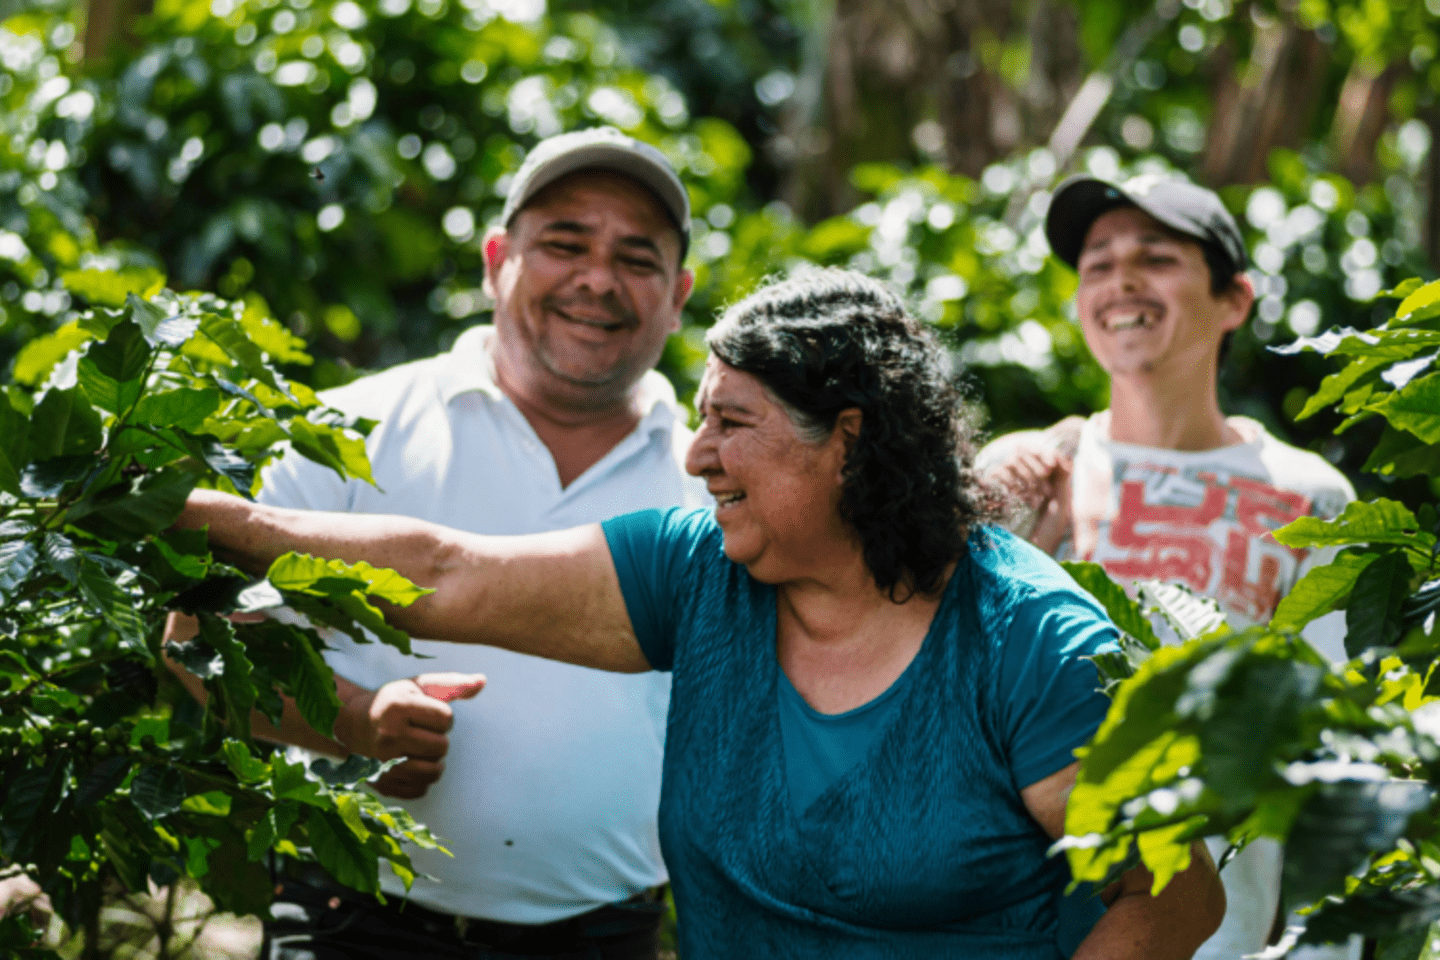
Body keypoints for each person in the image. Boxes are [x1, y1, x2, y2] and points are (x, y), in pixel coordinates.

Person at [176, 269, 1227, 959]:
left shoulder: (1027, 639)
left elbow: (1174, 897)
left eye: (732, 422)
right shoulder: (700, 573)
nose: (695, 453)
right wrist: (211, 522)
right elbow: (447, 573)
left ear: (847, 440)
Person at [167, 126, 709, 959]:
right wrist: (353, 723)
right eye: (565, 244)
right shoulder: (350, 429)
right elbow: (194, 636)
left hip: (606, 935)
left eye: (638, 259)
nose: (598, 280)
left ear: (679, 295)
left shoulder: (712, 475)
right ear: (498, 260)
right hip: (353, 922)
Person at [977, 174, 1357, 960]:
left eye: (1156, 257)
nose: (1120, 281)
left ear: (1235, 300)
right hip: (1029, 932)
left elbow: (1339, 756)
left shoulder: (1309, 498)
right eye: (1097, 263)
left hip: (1224, 940)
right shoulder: (1028, 480)